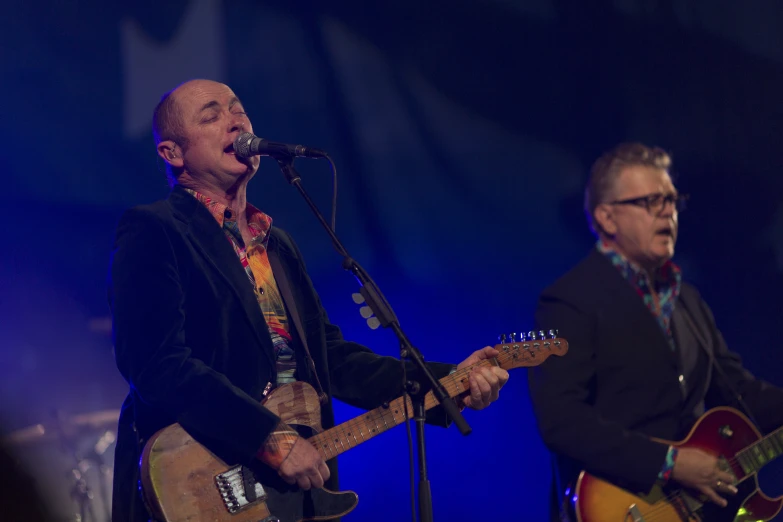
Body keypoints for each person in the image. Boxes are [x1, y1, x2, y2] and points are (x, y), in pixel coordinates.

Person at [108, 79, 509, 522]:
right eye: (212, 115)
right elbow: (157, 364)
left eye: (238, 108)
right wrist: (268, 438)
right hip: (198, 485)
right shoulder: (155, 229)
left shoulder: (276, 244)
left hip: (290, 493)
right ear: (173, 154)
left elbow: (332, 360)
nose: (235, 119)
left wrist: (449, 383)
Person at [527, 142, 783, 520]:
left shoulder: (687, 299)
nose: (668, 211)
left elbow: (738, 391)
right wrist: (670, 462)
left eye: (672, 200)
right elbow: (561, 420)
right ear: (607, 218)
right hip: (619, 506)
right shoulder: (570, 301)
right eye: (651, 201)